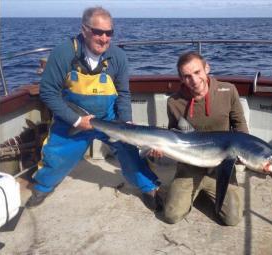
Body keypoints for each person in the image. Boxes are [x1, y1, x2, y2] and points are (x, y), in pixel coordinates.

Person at [25, 6, 162, 211]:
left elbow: (123, 94)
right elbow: (48, 92)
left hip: (109, 118)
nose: (104, 38)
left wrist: (125, 121)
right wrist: (77, 120)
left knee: (129, 151)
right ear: (84, 30)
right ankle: (43, 187)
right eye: (98, 32)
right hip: (73, 118)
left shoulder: (118, 57)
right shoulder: (63, 53)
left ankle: (149, 187)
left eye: (109, 33)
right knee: (57, 155)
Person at [151, 52, 248, 225]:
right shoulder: (174, 102)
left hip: (221, 166)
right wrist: (160, 148)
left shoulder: (228, 91)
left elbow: (240, 126)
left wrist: (246, 154)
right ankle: (168, 190)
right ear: (181, 78)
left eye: (197, 72)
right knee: (171, 216)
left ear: (207, 68)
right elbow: (175, 133)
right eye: (187, 76)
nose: (194, 80)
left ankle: (206, 189)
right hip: (189, 167)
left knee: (232, 219)